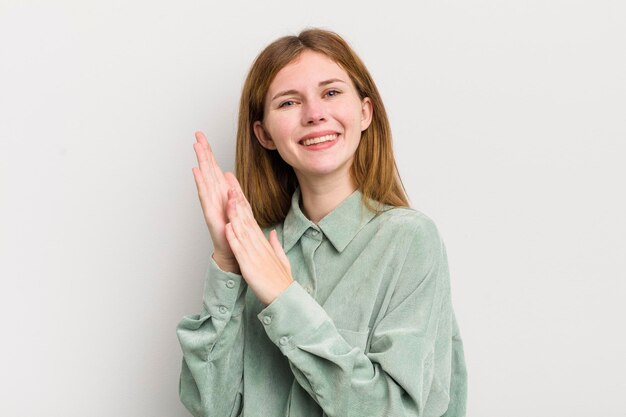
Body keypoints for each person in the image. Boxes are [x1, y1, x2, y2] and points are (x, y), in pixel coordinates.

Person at [176, 28, 467, 417]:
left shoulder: (410, 240)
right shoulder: (253, 248)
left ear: (365, 112)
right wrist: (227, 263)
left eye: (331, 93)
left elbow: (397, 410)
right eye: (288, 102)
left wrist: (284, 300)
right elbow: (212, 408)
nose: (314, 114)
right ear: (264, 134)